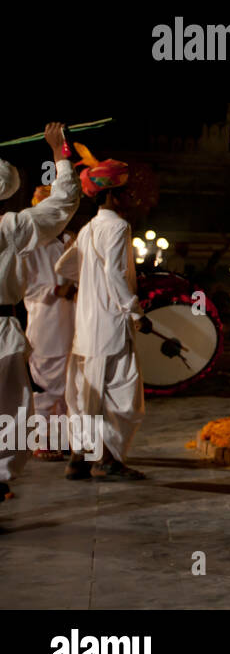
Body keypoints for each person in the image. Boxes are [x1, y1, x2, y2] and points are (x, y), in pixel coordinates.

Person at [56, 143, 147, 481]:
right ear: (113, 197)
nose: (129, 199)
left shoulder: (88, 229)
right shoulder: (118, 228)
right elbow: (114, 273)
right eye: (125, 192)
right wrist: (134, 310)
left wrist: (88, 285)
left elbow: (63, 268)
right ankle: (107, 460)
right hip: (110, 325)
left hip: (86, 326)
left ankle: (79, 457)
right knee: (121, 395)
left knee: (86, 393)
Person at [0, 124, 79, 500]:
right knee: (11, 413)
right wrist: (60, 152)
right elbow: (65, 200)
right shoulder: (13, 228)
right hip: (5, 331)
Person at [22, 187, 78, 459]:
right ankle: (41, 441)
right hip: (46, 324)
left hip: (73, 323)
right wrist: (56, 290)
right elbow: (23, 288)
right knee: (45, 386)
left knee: (69, 388)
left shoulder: (69, 240)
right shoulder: (30, 246)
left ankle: (64, 439)